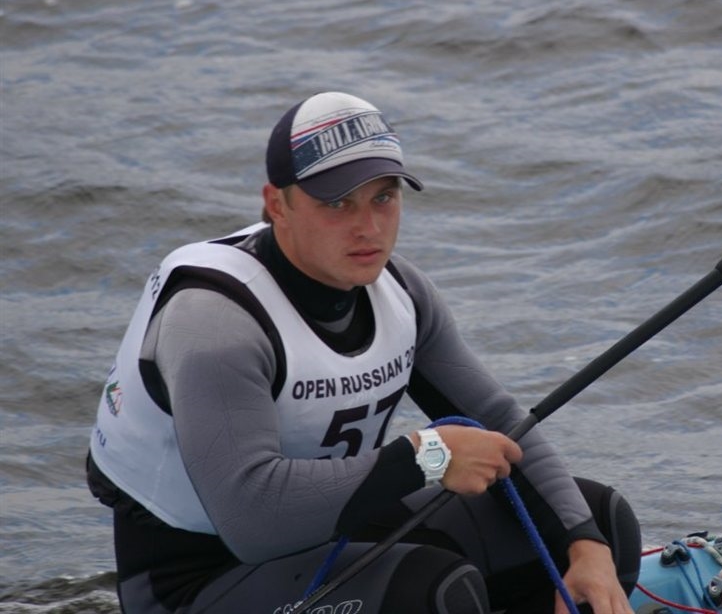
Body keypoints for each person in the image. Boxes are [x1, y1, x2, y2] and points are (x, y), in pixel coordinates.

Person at [86, 91, 641, 614]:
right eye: (337, 203)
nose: (368, 227)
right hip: (197, 581)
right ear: (277, 204)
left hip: (331, 535)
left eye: (384, 197)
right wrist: (429, 456)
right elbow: (253, 521)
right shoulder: (216, 323)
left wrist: (582, 543)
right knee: (436, 592)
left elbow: (497, 419)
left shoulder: (403, 293)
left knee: (601, 524)